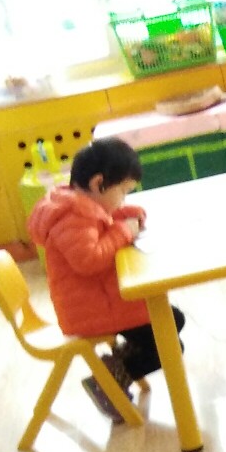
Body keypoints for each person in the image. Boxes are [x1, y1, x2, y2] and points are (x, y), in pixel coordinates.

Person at [24, 138, 185, 422]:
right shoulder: (73, 216)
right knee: (170, 344)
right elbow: (89, 259)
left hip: (99, 301)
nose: (123, 199)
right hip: (92, 311)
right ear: (99, 183)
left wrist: (126, 215)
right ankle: (106, 381)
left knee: (173, 320)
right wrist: (123, 231)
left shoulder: (77, 204)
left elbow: (101, 220)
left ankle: (115, 366)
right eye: (122, 192)